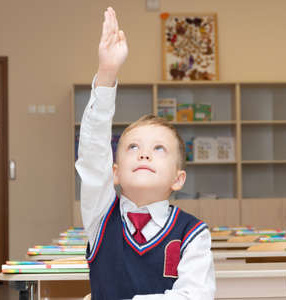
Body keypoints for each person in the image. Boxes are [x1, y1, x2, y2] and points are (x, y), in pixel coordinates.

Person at [75, 7, 215, 300]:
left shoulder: (192, 233)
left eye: (159, 149)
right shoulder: (101, 216)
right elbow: (92, 152)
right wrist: (107, 72)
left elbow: (195, 296)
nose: (144, 154)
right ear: (114, 172)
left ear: (178, 179)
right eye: (133, 147)